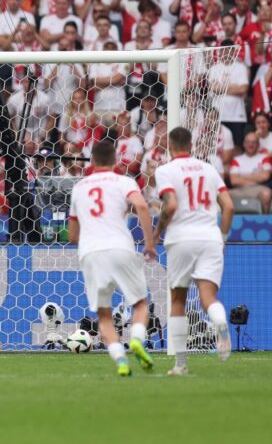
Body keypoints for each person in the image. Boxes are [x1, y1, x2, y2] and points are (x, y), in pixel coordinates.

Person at [67, 140, 156, 377]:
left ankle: (120, 360)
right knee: (139, 303)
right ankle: (136, 339)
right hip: (121, 247)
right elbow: (143, 207)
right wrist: (149, 244)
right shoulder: (124, 182)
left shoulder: (79, 187)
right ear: (115, 160)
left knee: (104, 315)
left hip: (91, 252)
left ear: (92, 161)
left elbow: (72, 235)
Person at [154, 127, 234, 375]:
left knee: (177, 299)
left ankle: (180, 364)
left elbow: (170, 206)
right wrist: (221, 237)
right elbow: (229, 206)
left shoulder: (165, 170)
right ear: (191, 145)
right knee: (208, 297)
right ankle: (219, 321)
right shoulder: (209, 169)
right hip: (210, 237)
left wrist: (157, 233)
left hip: (181, 238)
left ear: (170, 145)